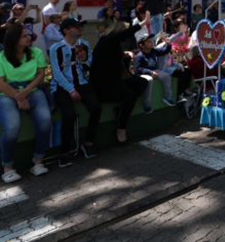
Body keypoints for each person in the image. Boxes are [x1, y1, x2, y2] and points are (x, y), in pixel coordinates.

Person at [0, 24, 51, 182]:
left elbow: (41, 74)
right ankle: (8, 167)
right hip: (8, 93)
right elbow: (1, 82)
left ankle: (38, 161)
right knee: (12, 127)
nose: (29, 37)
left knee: (45, 120)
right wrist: (19, 97)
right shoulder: (2, 56)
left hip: (32, 90)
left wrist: (26, 92)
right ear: (14, 39)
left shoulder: (36, 52)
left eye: (29, 35)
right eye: (24, 36)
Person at [90, 13, 151, 144]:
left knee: (142, 83)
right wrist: (142, 23)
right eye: (124, 32)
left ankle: (122, 108)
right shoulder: (107, 39)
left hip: (117, 77)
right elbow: (124, 35)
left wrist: (126, 54)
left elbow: (113, 54)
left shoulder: (112, 42)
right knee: (130, 96)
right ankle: (121, 127)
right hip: (105, 83)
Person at [50, 19, 101, 165]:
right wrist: (71, 90)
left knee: (96, 107)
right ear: (66, 30)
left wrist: (84, 60)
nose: (80, 29)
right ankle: (64, 151)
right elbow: (56, 72)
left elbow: (90, 65)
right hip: (62, 85)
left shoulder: (84, 44)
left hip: (82, 82)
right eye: (76, 27)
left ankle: (88, 142)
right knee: (68, 115)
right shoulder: (56, 48)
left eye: (80, 26)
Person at [134, 33, 188, 108]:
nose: (151, 42)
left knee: (166, 76)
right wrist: (149, 72)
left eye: (151, 40)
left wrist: (168, 44)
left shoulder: (153, 51)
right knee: (149, 80)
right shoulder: (139, 56)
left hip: (154, 71)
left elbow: (164, 51)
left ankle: (167, 97)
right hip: (144, 74)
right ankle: (147, 104)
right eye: (148, 42)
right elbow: (138, 69)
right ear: (142, 45)